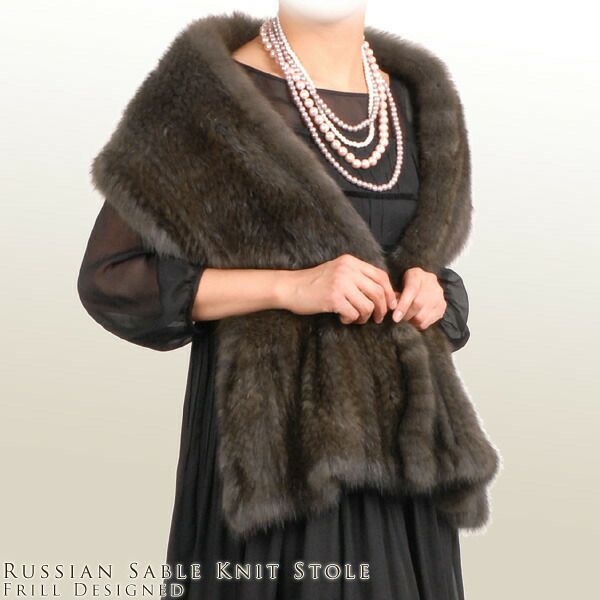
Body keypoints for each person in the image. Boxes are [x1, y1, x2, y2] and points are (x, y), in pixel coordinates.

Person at [78, 3, 477, 599]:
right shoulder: (206, 94)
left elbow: (422, 265)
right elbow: (112, 278)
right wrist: (291, 288)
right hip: (274, 465)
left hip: (407, 467)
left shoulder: (419, 99)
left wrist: (432, 290)